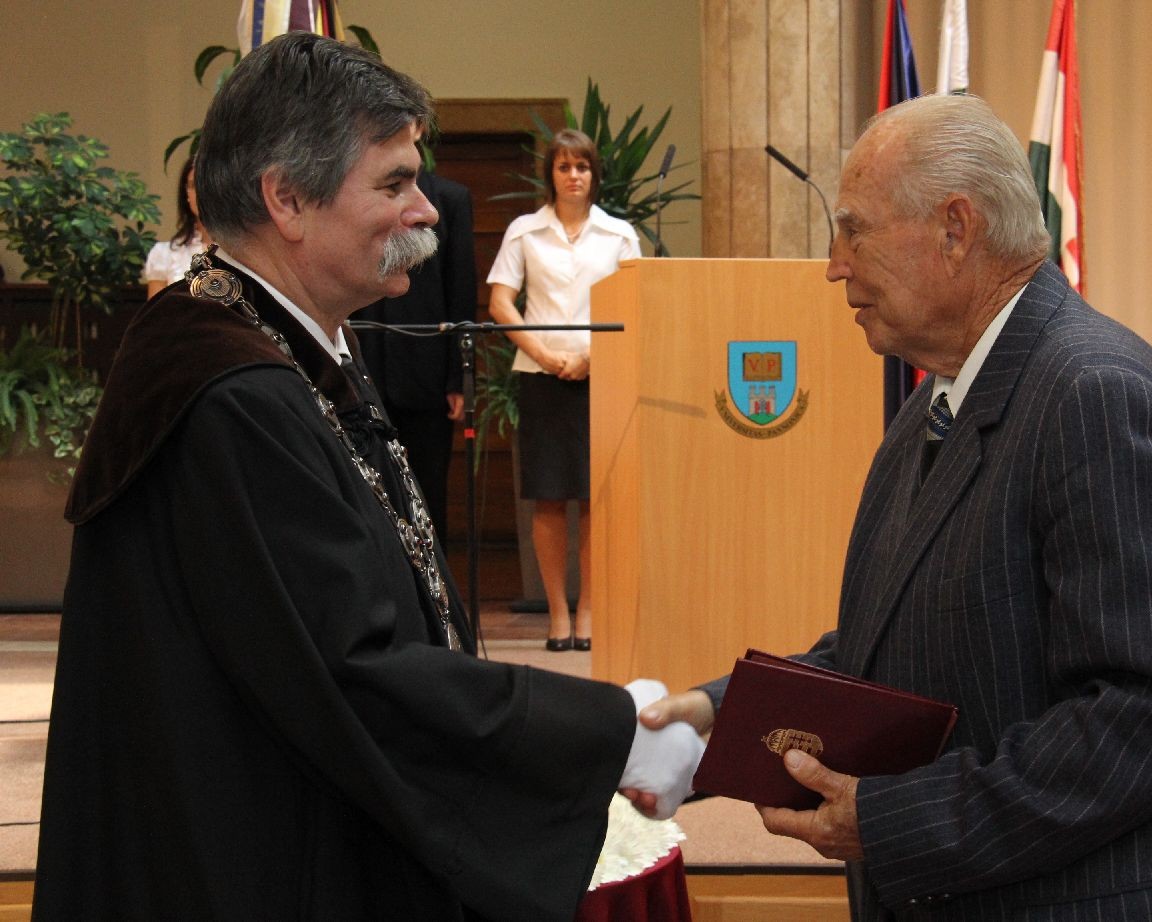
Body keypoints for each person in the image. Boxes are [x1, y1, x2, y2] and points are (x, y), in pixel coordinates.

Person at [34, 33, 701, 922]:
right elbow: (350, 669)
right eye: (393, 184)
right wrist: (614, 733)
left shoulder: (277, 347)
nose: (426, 211)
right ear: (287, 198)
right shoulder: (235, 394)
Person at [638, 94, 1152, 920]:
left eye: (854, 230)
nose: (834, 265)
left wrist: (895, 819)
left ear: (955, 228)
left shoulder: (1098, 396)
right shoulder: (937, 401)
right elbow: (897, 641)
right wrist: (716, 714)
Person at [486, 129, 641, 652]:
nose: (574, 176)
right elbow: (501, 302)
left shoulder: (618, 235)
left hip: (604, 376)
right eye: (564, 166)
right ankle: (557, 614)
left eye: (583, 166)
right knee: (549, 499)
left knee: (595, 499)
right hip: (541, 377)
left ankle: (588, 612)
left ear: (595, 175)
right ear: (549, 174)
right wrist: (545, 355)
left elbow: (635, 301)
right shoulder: (524, 231)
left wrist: (590, 358)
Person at [354, 170, 477, 547]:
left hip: (427, 373)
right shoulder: (355, 188)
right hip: (365, 364)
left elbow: (461, 287)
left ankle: (432, 578)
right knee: (366, 491)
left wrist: (459, 380)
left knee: (428, 491)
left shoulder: (450, 198)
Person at [142, 155, 208, 297]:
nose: (201, 193)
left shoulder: (244, 252)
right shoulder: (163, 254)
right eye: (194, 186)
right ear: (186, 193)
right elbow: (156, 310)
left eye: (207, 185)